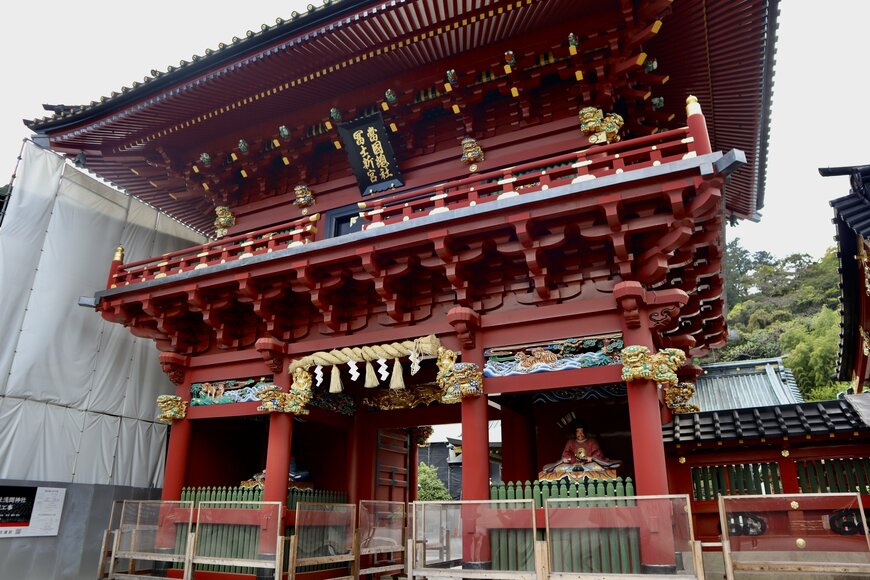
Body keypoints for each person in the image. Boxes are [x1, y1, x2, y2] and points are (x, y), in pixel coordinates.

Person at [541, 420, 620, 477]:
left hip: (588, 465)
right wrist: (566, 459)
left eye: (581, 431)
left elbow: (598, 454)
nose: (580, 434)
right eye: (578, 432)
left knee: (596, 466)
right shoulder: (570, 442)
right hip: (572, 466)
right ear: (575, 433)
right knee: (560, 467)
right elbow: (566, 454)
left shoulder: (592, 441)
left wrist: (591, 458)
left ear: (585, 432)